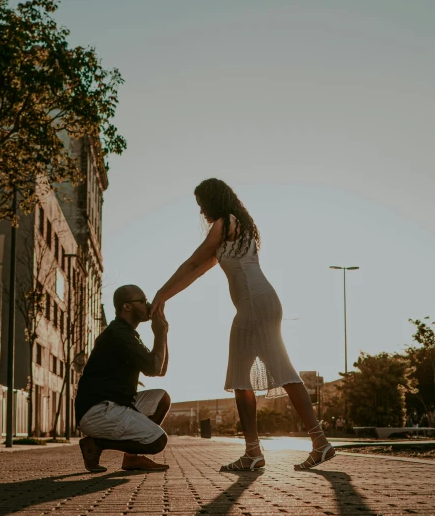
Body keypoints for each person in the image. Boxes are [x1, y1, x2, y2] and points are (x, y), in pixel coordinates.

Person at [150, 178, 335, 471]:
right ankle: (312, 443)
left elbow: (191, 263)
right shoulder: (237, 229)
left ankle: (262, 451)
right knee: (268, 374)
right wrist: (166, 297)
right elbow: (195, 272)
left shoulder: (224, 224)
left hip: (253, 305)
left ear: (213, 201)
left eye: (202, 205)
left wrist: (160, 294)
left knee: (246, 377)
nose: (202, 212)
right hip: (263, 302)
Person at [75, 285, 171, 473]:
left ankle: (131, 459)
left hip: (118, 404)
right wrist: (159, 334)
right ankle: (95, 443)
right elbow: (154, 367)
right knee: (157, 441)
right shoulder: (119, 335)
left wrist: (163, 335)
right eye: (142, 301)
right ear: (127, 307)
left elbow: (159, 370)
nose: (148, 305)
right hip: (98, 410)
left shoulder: (127, 334)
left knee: (162, 398)